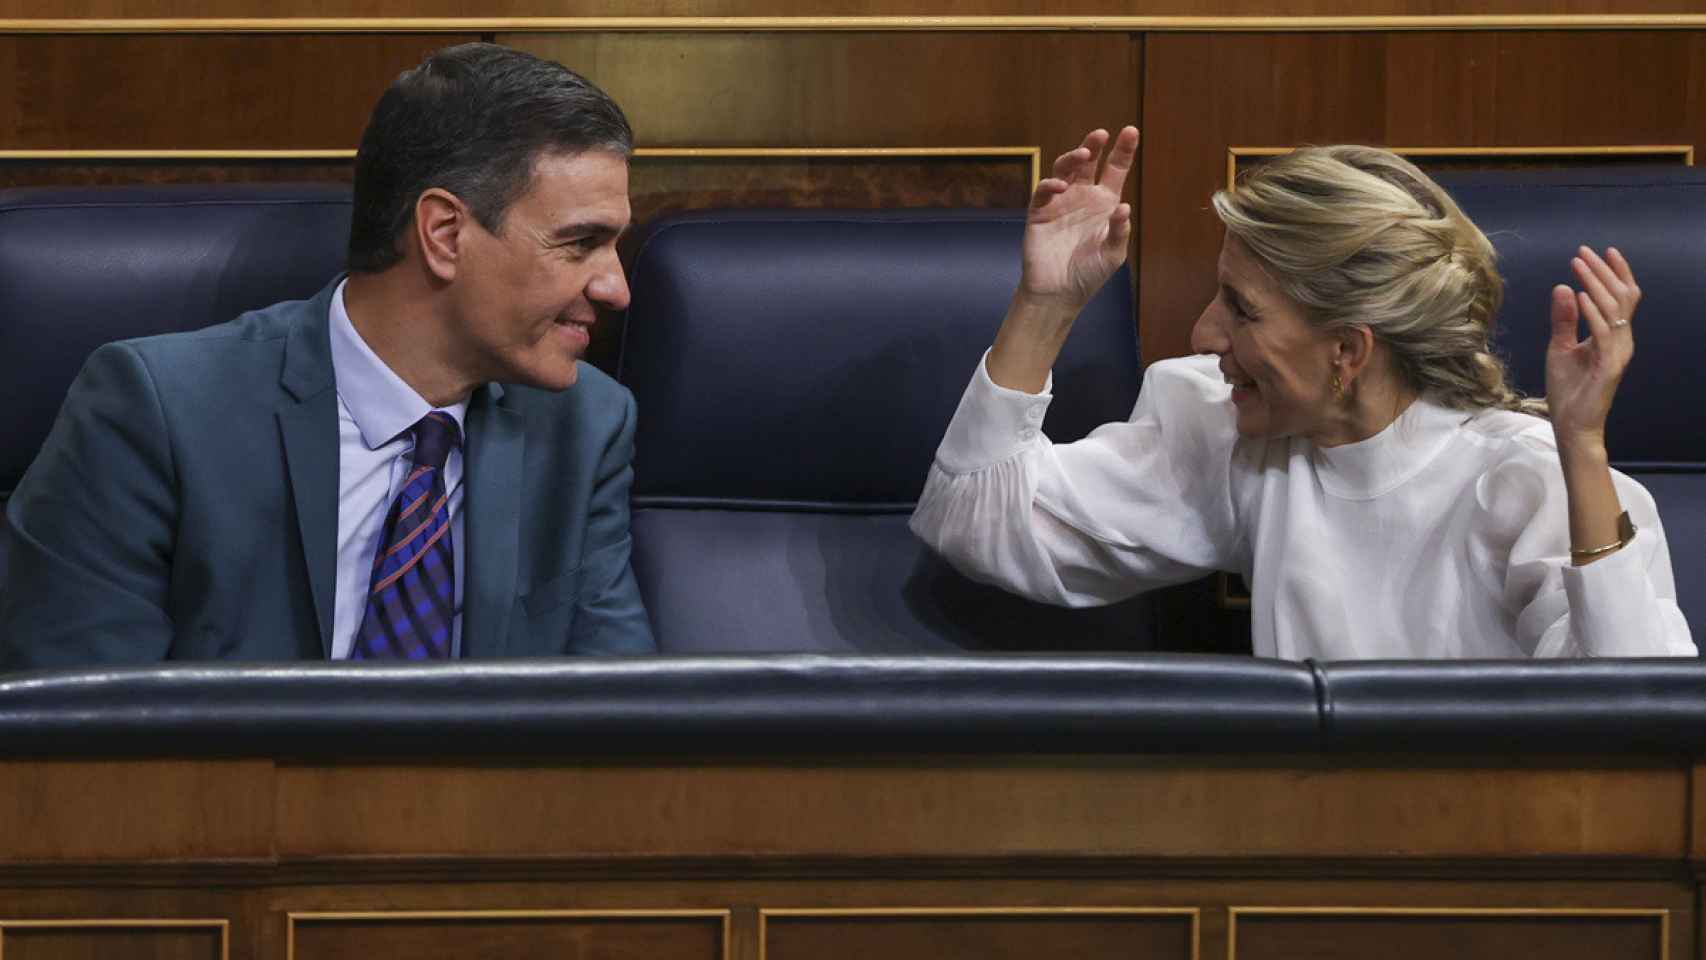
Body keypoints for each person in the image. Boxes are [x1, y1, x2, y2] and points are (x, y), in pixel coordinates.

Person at [911, 126, 1695, 659]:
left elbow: (1638, 730)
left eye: (1242, 310)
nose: (1205, 336)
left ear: (1347, 351)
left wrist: (1583, 451)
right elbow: (975, 521)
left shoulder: (1531, 481)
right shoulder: (1240, 436)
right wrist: (1046, 304)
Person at [0, 43, 656, 666]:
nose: (616, 287)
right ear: (446, 234)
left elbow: (621, 728)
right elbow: (77, 740)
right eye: (580, 243)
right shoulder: (154, 413)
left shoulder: (585, 425)